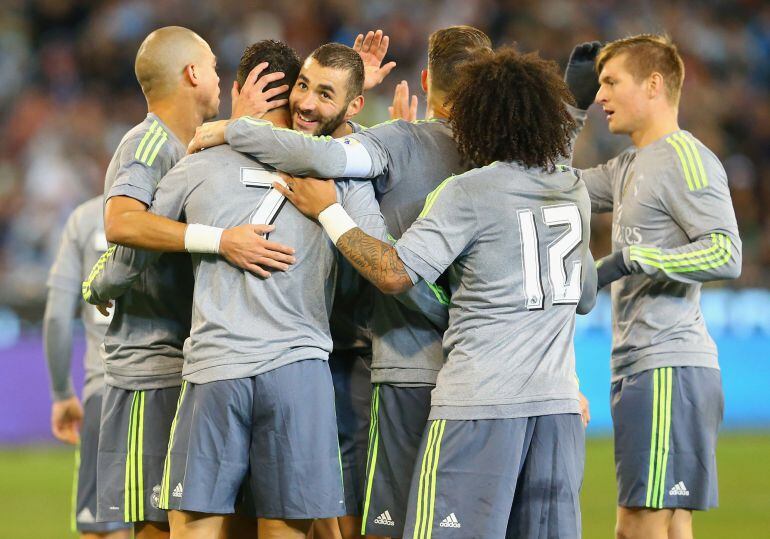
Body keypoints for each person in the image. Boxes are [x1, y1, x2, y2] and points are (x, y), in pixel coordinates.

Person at [274, 47, 596, 539]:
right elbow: (586, 293)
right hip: (558, 410)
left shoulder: (469, 190)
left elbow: (394, 273)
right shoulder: (572, 189)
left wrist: (332, 209)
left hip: (477, 404)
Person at [84, 39, 386, 539]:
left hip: (214, 370)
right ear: (295, 97)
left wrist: (98, 285)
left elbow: (128, 256)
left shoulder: (196, 162)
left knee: (194, 528)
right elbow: (376, 255)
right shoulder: (334, 170)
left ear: (244, 90)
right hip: (301, 371)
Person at [214, 26, 492, 538]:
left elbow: (387, 263)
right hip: (319, 358)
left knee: (348, 513)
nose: (305, 102)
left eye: (325, 93)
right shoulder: (487, 158)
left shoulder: (356, 161)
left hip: (362, 360)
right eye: (303, 85)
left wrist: (228, 128)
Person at [81, 26, 290, 539]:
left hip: (197, 362)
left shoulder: (194, 147)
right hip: (150, 367)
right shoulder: (149, 142)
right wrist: (220, 240)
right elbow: (122, 223)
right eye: (214, 66)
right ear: (192, 73)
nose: (220, 78)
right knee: (157, 525)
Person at [565, 35, 742, 539]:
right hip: (647, 364)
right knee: (669, 526)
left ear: (655, 85)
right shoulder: (627, 166)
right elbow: (551, 184)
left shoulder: (687, 158)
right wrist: (569, 112)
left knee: (636, 528)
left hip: (667, 365)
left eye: (610, 82)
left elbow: (726, 252)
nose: (600, 95)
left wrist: (631, 259)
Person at [44, 196, 131, 539]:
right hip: (174, 389)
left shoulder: (84, 218)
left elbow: (55, 316)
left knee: (104, 528)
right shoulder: (179, 202)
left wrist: (62, 393)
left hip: (106, 386)